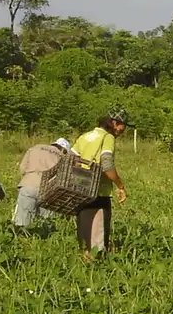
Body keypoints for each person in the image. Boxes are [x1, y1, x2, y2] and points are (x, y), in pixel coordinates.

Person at [73, 108, 131, 259]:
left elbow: (70, 159)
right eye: (121, 126)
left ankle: (84, 261)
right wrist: (120, 185)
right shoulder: (108, 137)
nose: (121, 130)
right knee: (98, 239)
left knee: (84, 235)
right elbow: (106, 164)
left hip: (80, 189)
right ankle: (96, 265)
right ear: (114, 123)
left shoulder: (84, 136)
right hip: (99, 192)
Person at [14, 138, 72, 230]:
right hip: (49, 190)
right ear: (64, 150)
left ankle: (21, 239)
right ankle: (43, 240)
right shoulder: (62, 156)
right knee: (46, 224)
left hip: (28, 185)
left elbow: (22, 168)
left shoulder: (35, 148)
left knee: (22, 222)